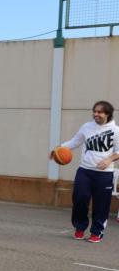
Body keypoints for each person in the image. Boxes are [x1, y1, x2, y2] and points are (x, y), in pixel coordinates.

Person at [51, 100, 119, 243]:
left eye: (99, 112)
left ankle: (97, 231)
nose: (96, 114)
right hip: (85, 171)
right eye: (94, 111)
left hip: (104, 174)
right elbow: (75, 142)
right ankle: (79, 228)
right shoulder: (87, 127)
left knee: (101, 204)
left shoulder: (115, 131)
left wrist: (108, 160)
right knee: (80, 199)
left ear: (107, 114)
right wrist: (58, 149)